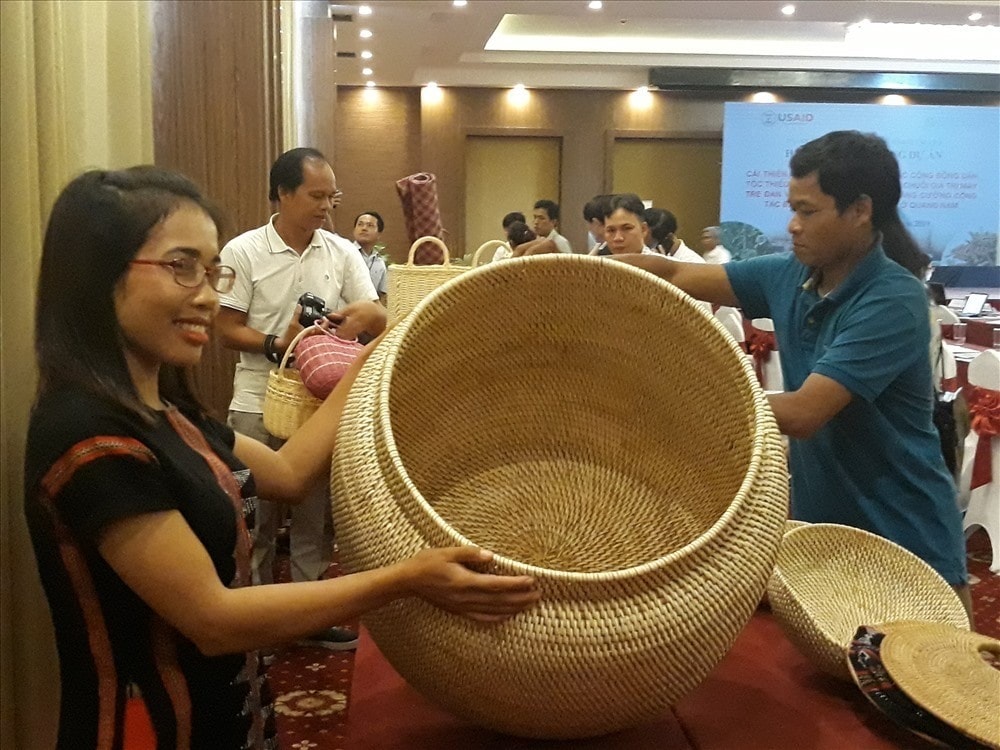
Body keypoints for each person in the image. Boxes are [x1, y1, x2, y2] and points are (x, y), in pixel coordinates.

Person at [24, 166, 541, 749]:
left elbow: (292, 473)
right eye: (181, 266)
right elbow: (213, 620)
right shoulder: (91, 436)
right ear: (99, 275)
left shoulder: (170, 413)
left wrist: (381, 346)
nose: (208, 295)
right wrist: (403, 579)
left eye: (211, 270)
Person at [614, 131, 971, 616]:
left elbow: (804, 413)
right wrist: (564, 265)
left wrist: (679, 400)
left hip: (905, 542)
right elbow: (674, 274)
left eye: (808, 211)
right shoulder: (789, 274)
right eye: (792, 209)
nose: (793, 226)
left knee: (920, 685)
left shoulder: (892, 298)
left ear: (861, 210)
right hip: (823, 536)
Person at [217, 147, 385, 650]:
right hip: (254, 397)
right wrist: (280, 341)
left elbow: (374, 314)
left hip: (318, 400)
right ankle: (259, 617)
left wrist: (349, 325)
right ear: (283, 194)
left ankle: (310, 615)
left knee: (314, 516)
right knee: (255, 518)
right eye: (315, 196)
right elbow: (225, 329)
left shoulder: (342, 251)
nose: (326, 207)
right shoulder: (243, 251)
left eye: (331, 197)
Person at [352, 210, 388, 304]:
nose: (364, 228)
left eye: (370, 225)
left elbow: (383, 295)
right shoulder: (345, 253)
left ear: (379, 234)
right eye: (360, 224)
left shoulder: (380, 263)